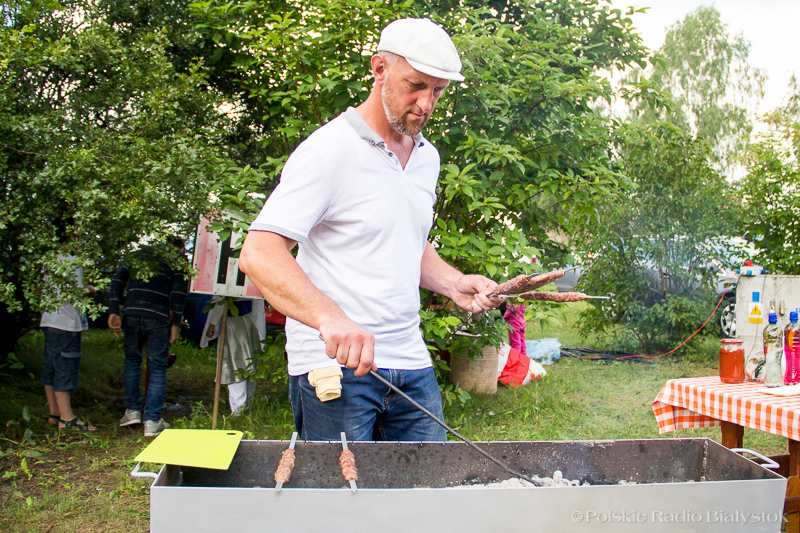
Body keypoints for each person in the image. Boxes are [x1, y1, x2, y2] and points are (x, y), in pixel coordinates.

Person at [239, 18, 500, 442]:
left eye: (437, 91)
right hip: (334, 364)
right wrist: (329, 317)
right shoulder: (328, 151)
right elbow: (259, 253)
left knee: (430, 481)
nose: (426, 103)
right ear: (379, 69)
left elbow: (406, 242)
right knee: (345, 486)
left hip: (410, 359)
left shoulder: (427, 158)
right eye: (415, 85)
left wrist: (454, 283)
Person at [108, 239, 188, 437]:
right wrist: (176, 325)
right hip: (158, 316)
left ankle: (132, 411)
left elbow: (117, 280)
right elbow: (179, 293)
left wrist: (114, 310)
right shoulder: (177, 259)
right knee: (158, 366)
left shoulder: (139, 254)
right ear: (180, 247)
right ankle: (152, 420)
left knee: (132, 361)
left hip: (132, 312)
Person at [40, 228, 98, 432]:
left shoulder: (48, 260)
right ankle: (67, 419)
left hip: (49, 320)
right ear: (70, 236)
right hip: (66, 322)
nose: (80, 240)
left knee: (51, 366)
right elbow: (75, 291)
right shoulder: (71, 262)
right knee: (65, 367)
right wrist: (91, 290)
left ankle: (54, 413)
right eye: (77, 236)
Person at [200, 297, 266, 415]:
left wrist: (213, 323)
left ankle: (239, 409)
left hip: (234, 324)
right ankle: (243, 407)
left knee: (235, 365)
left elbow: (222, 299)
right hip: (247, 322)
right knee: (246, 364)